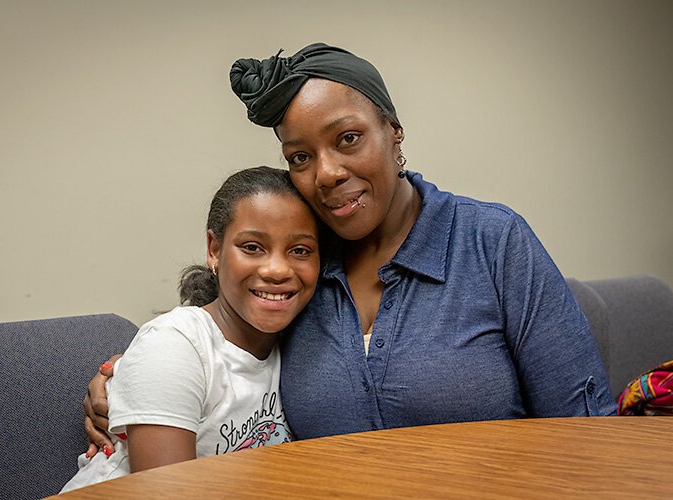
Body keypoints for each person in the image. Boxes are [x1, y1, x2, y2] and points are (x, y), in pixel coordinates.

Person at [83, 43, 615, 456]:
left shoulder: (492, 242)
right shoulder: (302, 265)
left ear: (394, 131)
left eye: (348, 139)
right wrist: (129, 379)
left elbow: (588, 432)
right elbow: (228, 345)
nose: (327, 173)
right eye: (300, 157)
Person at [60, 166, 320, 492]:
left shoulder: (296, 345)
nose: (278, 269)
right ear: (214, 249)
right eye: (252, 247)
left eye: (300, 251)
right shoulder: (175, 346)